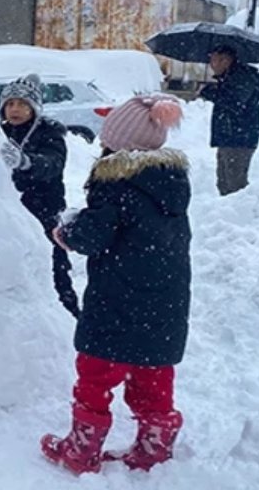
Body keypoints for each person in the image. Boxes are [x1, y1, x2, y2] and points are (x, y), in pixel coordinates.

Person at [41, 94, 191, 476]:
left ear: (117, 144)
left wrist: (66, 232)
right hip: (165, 303)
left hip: (118, 299)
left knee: (96, 375)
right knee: (153, 375)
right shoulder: (169, 184)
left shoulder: (117, 184)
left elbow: (92, 235)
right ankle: (154, 446)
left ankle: (81, 449)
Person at [0, 74, 79, 318]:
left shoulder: (50, 133)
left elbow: (52, 164)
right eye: (10, 104)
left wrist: (26, 162)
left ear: (34, 107)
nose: (15, 109)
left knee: (55, 270)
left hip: (45, 212)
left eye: (23, 104)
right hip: (10, 213)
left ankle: (68, 316)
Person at [199, 45, 259, 196]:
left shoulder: (243, 77)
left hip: (239, 138)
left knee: (235, 184)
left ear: (225, 60)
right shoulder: (229, 77)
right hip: (229, 137)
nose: (211, 65)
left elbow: (234, 102)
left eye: (214, 60)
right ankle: (228, 208)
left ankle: (241, 209)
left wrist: (210, 92)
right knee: (223, 182)